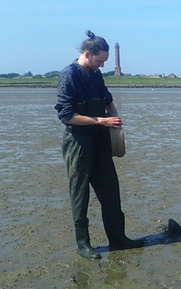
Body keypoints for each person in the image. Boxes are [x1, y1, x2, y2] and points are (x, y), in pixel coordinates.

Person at [55, 30, 143, 259]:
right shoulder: (69, 75)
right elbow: (66, 116)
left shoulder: (96, 75)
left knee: (111, 192)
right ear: (87, 54)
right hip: (78, 142)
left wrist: (115, 120)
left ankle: (118, 239)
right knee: (80, 194)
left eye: (105, 61)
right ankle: (83, 244)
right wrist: (102, 120)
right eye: (99, 61)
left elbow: (107, 100)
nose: (102, 66)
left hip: (100, 141)